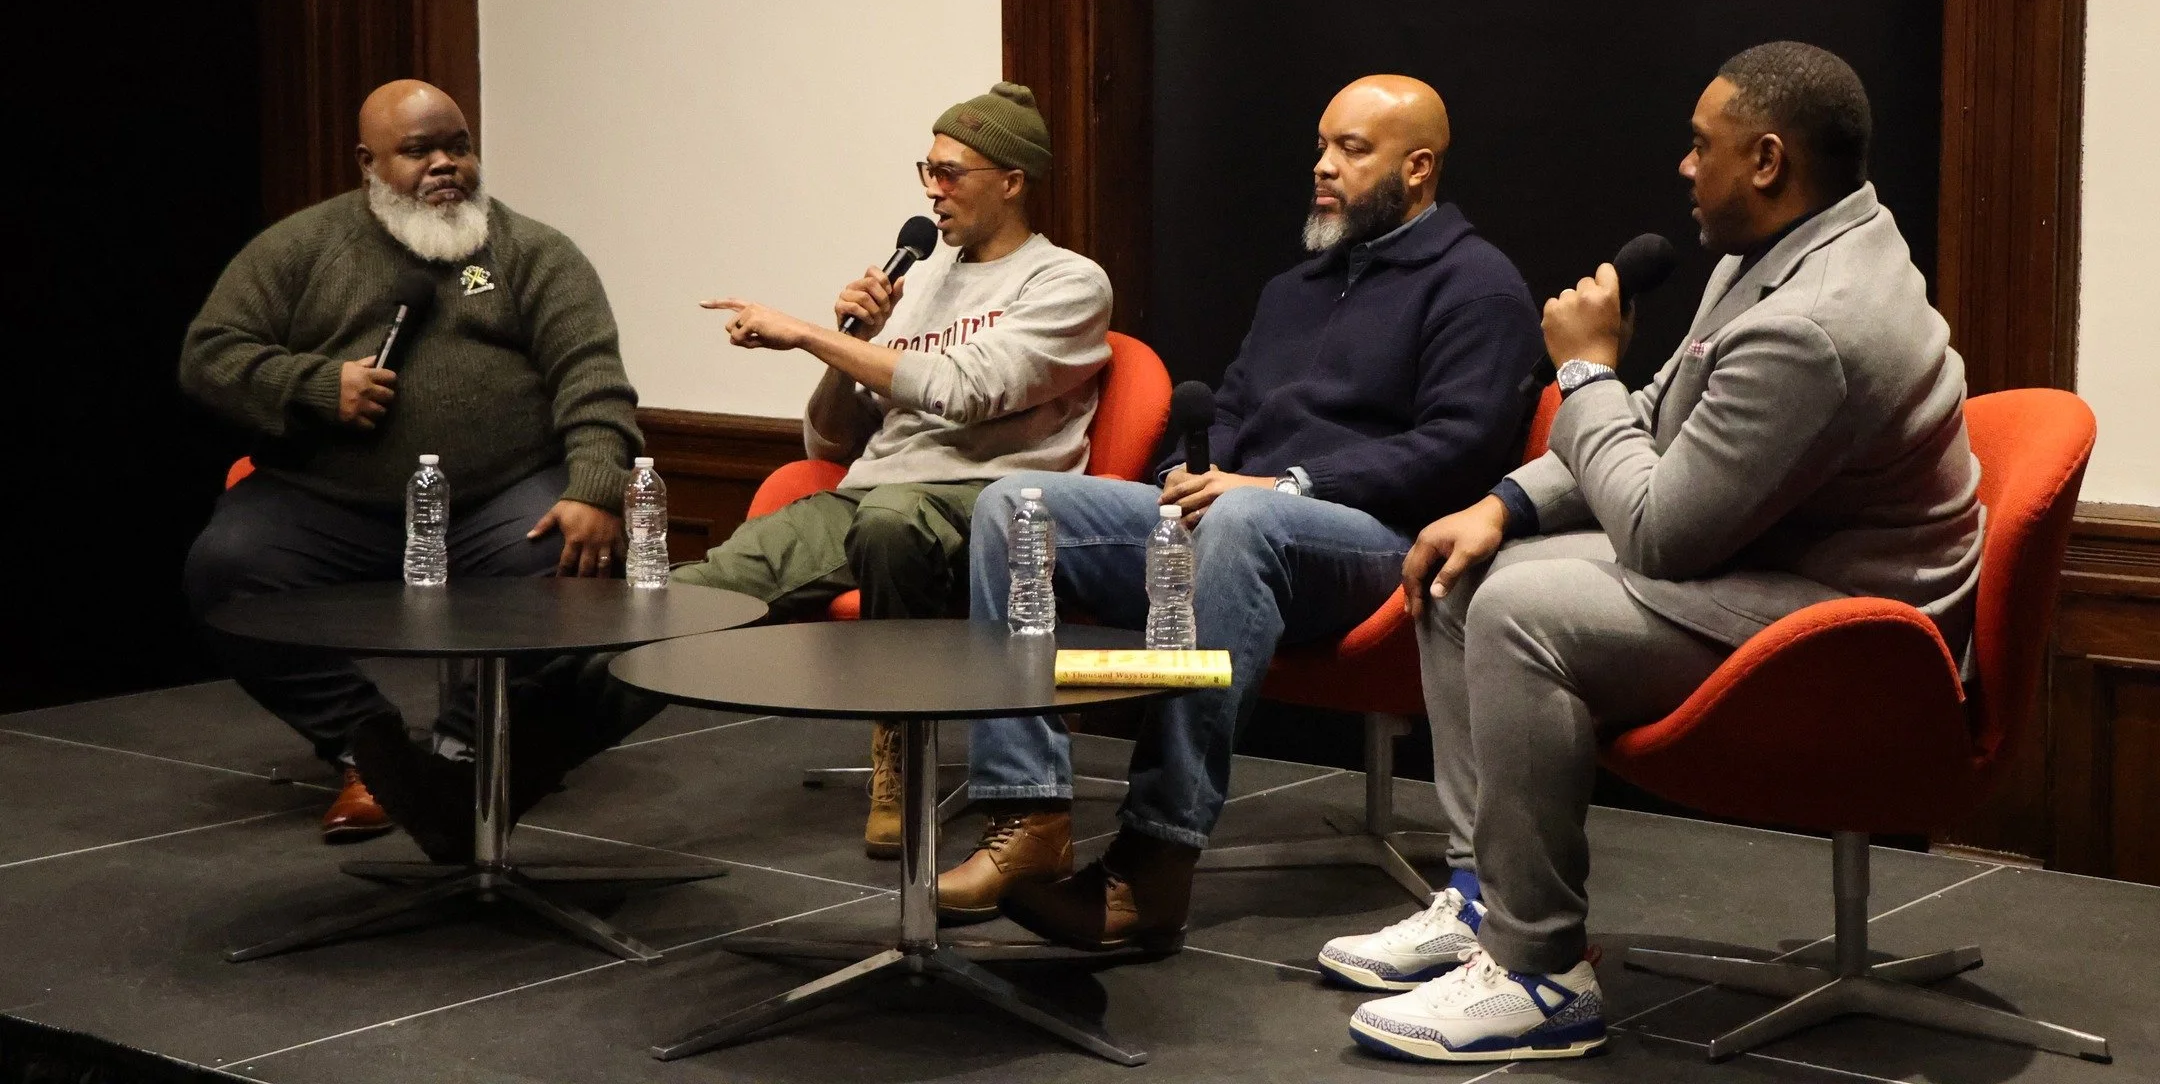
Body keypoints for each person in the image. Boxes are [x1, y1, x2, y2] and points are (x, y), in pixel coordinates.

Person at [1329, 43, 1984, 1066]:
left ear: (1766, 160)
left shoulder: (1815, 322)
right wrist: (1503, 502)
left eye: (1699, 145)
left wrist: (1582, 372)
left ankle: (1542, 975)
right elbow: (1657, 419)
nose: (1684, 167)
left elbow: (1660, 531)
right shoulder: (1776, 249)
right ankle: (1486, 901)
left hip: (1854, 626)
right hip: (1776, 562)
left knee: (1518, 611)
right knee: (1469, 573)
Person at [947, 74, 1544, 947]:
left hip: (1382, 545)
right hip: (1241, 519)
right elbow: (1228, 412)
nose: (1323, 167)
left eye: (1351, 150)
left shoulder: (1478, 285)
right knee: (1014, 505)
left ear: (1418, 168)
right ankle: (1029, 814)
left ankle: (1153, 865)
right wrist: (1187, 476)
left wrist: (1283, 487)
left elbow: (1460, 448)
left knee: (1241, 522)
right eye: (1321, 145)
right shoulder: (1294, 288)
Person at [181, 79, 656, 861]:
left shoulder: (534, 252)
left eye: (458, 146)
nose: (446, 164)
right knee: (225, 568)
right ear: (369, 162)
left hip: (496, 500)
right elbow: (208, 358)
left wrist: (596, 488)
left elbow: (593, 378)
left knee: (568, 563)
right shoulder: (301, 248)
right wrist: (313, 385)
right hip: (328, 504)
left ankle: (458, 754)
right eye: (418, 151)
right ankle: (363, 750)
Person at [674, 82, 1112, 857]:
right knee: (684, 602)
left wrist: (810, 335)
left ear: (1012, 182)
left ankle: (899, 753)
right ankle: (479, 765)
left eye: (953, 173)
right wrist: (852, 350)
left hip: (985, 504)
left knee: (890, 522)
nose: (932, 192)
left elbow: (962, 391)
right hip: (870, 493)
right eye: (928, 170)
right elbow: (830, 444)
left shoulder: (1067, 283)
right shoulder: (919, 285)